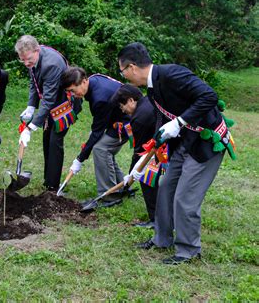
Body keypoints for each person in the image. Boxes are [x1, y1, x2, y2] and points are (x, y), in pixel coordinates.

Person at [118, 42, 234, 264]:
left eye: (122, 71)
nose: (124, 77)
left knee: (185, 198)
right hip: (184, 142)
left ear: (132, 67)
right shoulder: (151, 89)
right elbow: (162, 122)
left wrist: (180, 122)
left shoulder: (173, 74)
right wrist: (142, 162)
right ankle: (162, 238)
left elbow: (209, 96)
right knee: (165, 186)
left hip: (206, 143)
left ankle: (188, 250)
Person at [15, 35, 80, 191]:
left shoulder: (51, 64)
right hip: (52, 103)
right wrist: (31, 106)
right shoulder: (33, 59)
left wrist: (30, 128)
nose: (26, 63)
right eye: (22, 60)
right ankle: (48, 181)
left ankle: (53, 187)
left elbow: (49, 100)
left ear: (37, 50)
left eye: (28, 59)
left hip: (64, 105)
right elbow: (34, 83)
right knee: (47, 140)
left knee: (54, 142)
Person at [60, 67, 131, 201]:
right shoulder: (94, 80)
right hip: (116, 119)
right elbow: (98, 126)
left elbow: (98, 131)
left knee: (101, 149)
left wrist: (80, 159)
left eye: (73, 91)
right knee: (104, 149)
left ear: (84, 81)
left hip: (128, 122)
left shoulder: (100, 98)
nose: (73, 95)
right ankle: (122, 186)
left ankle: (109, 195)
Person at [111, 84, 158, 227]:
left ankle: (155, 220)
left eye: (122, 106)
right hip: (161, 145)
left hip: (162, 149)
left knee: (146, 176)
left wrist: (132, 173)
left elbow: (140, 151)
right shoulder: (148, 101)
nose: (123, 111)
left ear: (131, 100)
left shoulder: (139, 117)